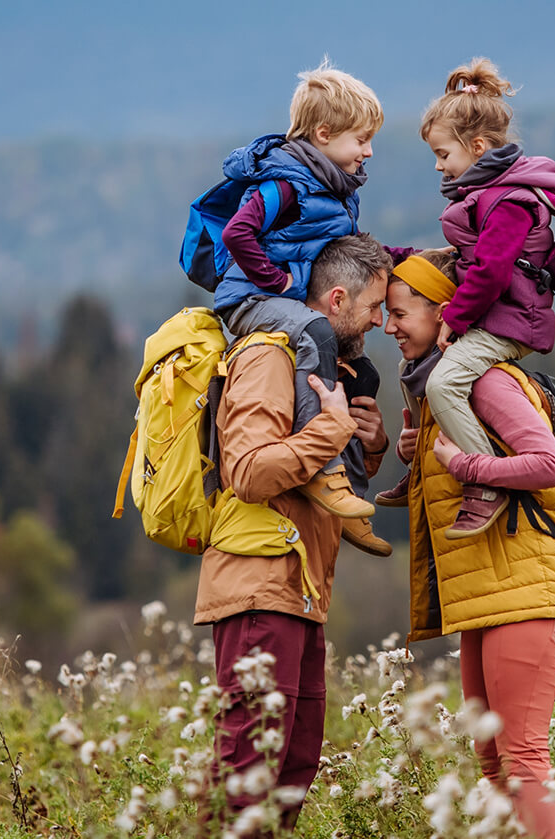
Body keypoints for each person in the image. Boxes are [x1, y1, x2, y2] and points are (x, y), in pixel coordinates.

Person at [196, 233, 391, 833]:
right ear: (336, 299)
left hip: (300, 587)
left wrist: (369, 444)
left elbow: (310, 475)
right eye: (374, 308)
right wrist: (330, 433)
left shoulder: (329, 368)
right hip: (260, 581)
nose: (381, 322)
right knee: (248, 767)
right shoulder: (269, 356)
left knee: (294, 766)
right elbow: (250, 472)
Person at [383, 252, 555, 839]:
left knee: (522, 761)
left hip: (522, 592)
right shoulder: (440, 393)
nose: (389, 328)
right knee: (493, 765)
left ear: (444, 313)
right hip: (484, 600)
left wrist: (462, 461)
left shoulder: (485, 381)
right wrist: (418, 458)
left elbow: (549, 465)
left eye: (399, 314)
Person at [383, 57, 555, 540]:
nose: (438, 165)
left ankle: (483, 481)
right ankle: (419, 468)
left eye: (443, 154)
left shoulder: (510, 201)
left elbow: (493, 272)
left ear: (476, 147)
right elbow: (464, 257)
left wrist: (454, 316)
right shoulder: (485, 193)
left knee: (445, 382)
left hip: (512, 323)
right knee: (414, 370)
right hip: (495, 316)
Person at [215, 58, 403, 555]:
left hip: (283, 297)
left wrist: (408, 260)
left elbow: (350, 247)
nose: (368, 150)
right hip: (251, 299)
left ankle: (352, 498)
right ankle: (324, 470)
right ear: (324, 133)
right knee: (319, 330)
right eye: (361, 139)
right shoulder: (285, 182)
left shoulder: (338, 190)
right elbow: (238, 233)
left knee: (361, 373)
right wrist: (276, 282)